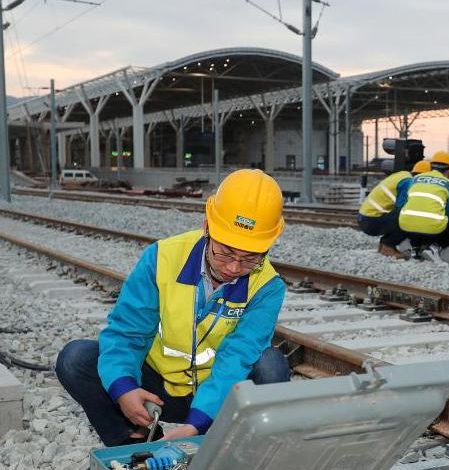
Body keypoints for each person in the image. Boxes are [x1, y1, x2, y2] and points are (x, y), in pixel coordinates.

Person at [55, 169, 291, 447]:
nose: (233, 268)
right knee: (75, 360)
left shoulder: (268, 286)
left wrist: (197, 422)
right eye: (225, 252)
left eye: (250, 258)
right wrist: (124, 389)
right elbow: (128, 332)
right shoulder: (163, 258)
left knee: (271, 366)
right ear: (207, 227)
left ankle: (235, 454)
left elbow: (237, 357)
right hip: (158, 388)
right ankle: (132, 447)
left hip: (217, 393)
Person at [380, 151, 449, 260]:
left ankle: (416, 249)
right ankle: (434, 248)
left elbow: (406, 203)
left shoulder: (415, 179)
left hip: (405, 225)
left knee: (416, 218)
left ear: (431, 166)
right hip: (432, 229)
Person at [358, 160, 431, 259]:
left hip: (366, 218)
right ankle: (388, 246)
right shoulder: (408, 182)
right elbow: (402, 207)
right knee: (409, 217)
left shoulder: (403, 175)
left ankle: (383, 246)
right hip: (371, 221)